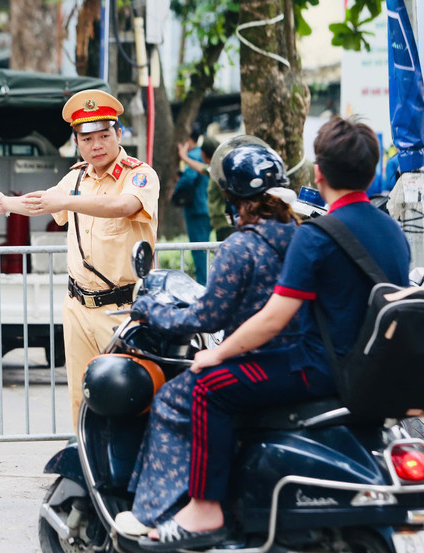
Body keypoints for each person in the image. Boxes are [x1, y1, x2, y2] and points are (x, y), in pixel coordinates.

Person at [138, 117, 411, 551]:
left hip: (319, 368)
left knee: (207, 387)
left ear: (318, 174)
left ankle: (205, 510)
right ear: (372, 170)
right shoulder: (392, 231)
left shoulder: (317, 236)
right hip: (371, 369)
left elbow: (273, 319)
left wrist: (217, 354)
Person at [118, 138, 300, 537]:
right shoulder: (299, 237)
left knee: (171, 400)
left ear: (233, 198)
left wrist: (152, 311)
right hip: (298, 362)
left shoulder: (241, 247)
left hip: (256, 362)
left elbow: (206, 316)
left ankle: (154, 511)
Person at [0, 89, 160, 423]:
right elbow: (42, 202)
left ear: (119, 134)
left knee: (130, 395)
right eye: (87, 138)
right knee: (83, 396)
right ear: (76, 142)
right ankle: (86, 454)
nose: (97, 145)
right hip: (78, 306)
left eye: (104, 135)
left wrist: (65, 201)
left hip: (124, 309)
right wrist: (4, 202)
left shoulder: (138, 174)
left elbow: (123, 205)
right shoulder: (76, 177)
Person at [173, 130, 212, 285]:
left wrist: (176, 193)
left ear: (189, 140)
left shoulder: (193, 155)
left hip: (196, 209)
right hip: (206, 207)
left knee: (199, 250)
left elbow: (189, 178)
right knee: (205, 248)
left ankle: (202, 285)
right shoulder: (200, 154)